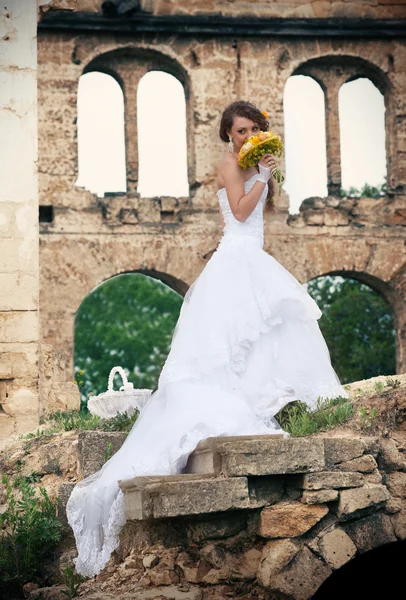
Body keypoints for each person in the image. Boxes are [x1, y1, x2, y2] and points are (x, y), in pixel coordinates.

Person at [66, 100, 348, 578]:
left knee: (267, 329)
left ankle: (287, 398)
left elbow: (259, 212)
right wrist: (261, 174)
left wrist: (264, 174)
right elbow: (239, 213)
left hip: (250, 257)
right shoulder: (229, 164)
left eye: (254, 129)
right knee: (228, 340)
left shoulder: (253, 163)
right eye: (240, 130)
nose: (247, 136)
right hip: (235, 258)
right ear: (228, 135)